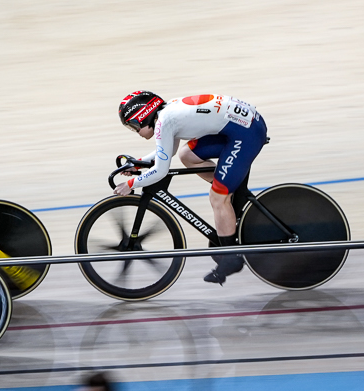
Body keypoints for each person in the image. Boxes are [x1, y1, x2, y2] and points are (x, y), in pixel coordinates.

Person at [114, 90, 268, 283]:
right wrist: (139, 163)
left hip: (246, 133)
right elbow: (168, 151)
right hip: (241, 126)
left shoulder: (164, 122)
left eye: (133, 125)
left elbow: (161, 171)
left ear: (144, 115)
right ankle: (230, 189)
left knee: (218, 197)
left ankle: (231, 258)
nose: (135, 130)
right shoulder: (167, 114)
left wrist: (131, 183)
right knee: (187, 155)